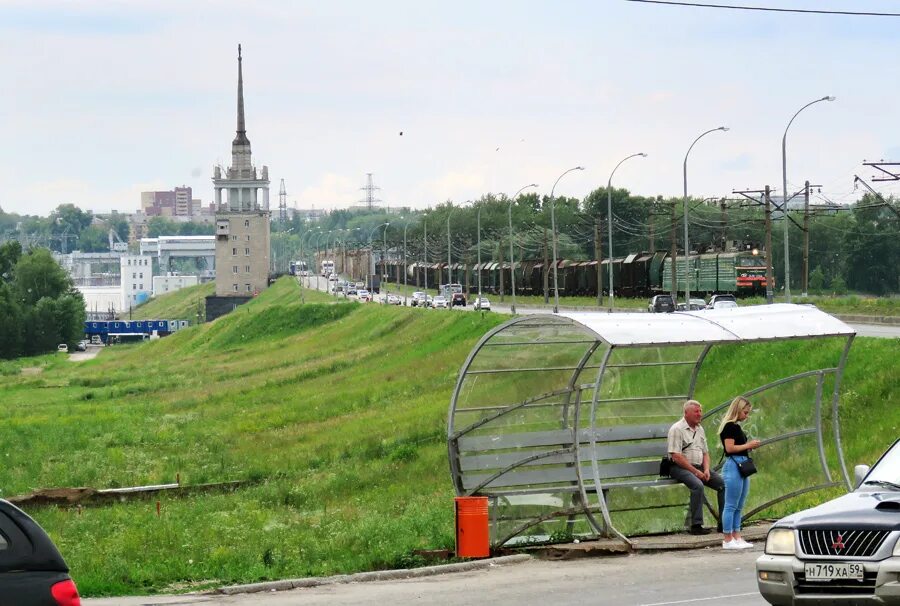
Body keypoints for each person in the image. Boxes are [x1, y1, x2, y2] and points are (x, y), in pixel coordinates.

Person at [667, 400, 725, 535]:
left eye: (700, 411)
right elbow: (676, 456)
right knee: (697, 485)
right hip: (679, 467)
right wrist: (695, 472)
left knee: (722, 484)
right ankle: (696, 525)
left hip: (699, 467)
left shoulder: (700, 429)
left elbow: (705, 453)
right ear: (686, 413)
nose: (700, 414)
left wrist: (706, 470)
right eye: (696, 412)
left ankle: (724, 523)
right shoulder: (677, 429)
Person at [718, 396, 762, 550]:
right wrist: (748, 444)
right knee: (730, 504)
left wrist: (748, 447)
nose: (746, 416)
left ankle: (737, 535)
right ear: (737, 410)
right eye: (745, 412)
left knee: (739, 504)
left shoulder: (737, 427)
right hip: (734, 465)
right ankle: (727, 538)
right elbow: (729, 448)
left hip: (742, 464)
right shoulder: (729, 426)